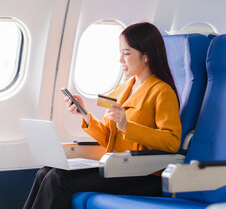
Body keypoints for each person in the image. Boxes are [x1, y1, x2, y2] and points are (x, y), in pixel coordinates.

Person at [23, 22, 182, 209]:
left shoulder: (162, 92)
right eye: (120, 53)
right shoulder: (121, 89)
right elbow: (109, 136)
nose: (121, 60)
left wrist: (127, 127)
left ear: (146, 55)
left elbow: (172, 141)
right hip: (117, 167)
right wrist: (86, 115)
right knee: (46, 172)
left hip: (143, 174)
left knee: (59, 179)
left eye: (127, 53)